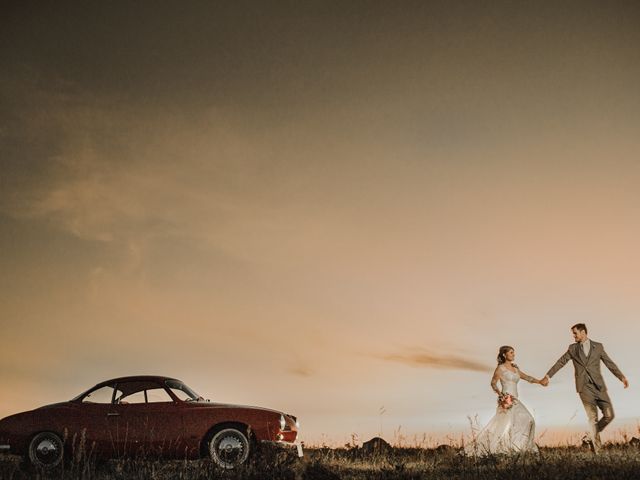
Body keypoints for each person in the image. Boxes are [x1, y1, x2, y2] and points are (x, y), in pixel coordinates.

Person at [542, 323, 628, 453]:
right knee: (592, 418)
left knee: (609, 415)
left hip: (599, 386)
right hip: (584, 387)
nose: (573, 336)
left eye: (575, 333)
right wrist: (548, 376)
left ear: (583, 332)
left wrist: (621, 377)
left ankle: (589, 437)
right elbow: (561, 362)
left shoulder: (598, 346)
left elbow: (609, 363)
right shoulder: (572, 349)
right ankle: (598, 451)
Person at [465, 346, 542, 455]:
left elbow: (528, 377)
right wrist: (501, 395)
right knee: (505, 426)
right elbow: (493, 382)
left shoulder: (516, 369)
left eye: (514, 353)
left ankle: (520, 447)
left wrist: (540, 381)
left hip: (515, 400)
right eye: (511, 353)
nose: (513, 354)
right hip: (506, 400)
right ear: (504, 355)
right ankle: (506, 449)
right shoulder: (500, 368)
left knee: (529, 420)